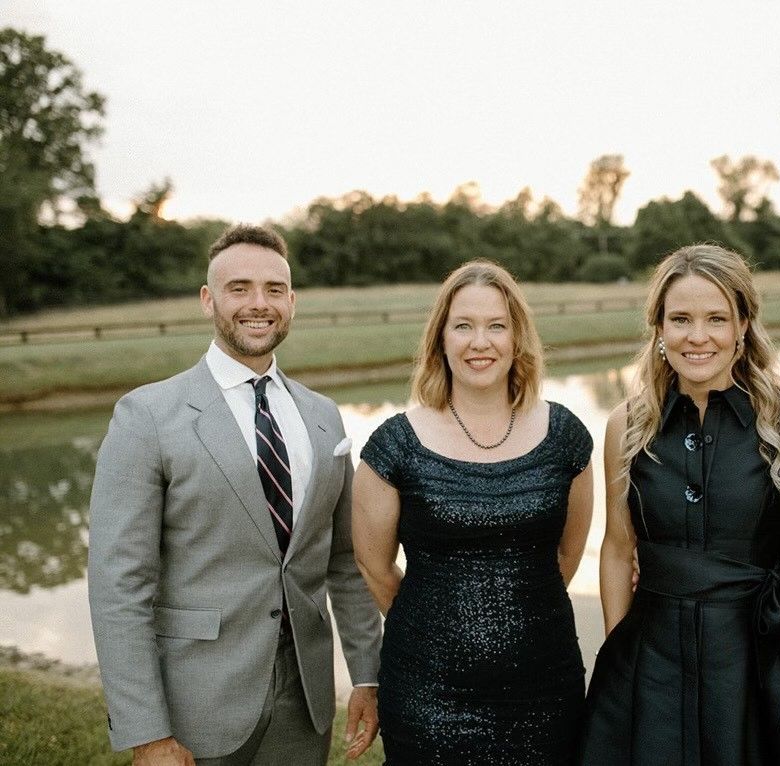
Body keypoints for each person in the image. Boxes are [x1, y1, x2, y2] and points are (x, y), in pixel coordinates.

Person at [87, 224, 382, 764]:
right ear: (208, 300)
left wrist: (367, 676)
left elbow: (346, 562)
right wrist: (145, 731)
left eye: (274, 290)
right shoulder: (147, 416)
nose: (258, 304)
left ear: (291, 302)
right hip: (195, 704)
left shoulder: (322, 416)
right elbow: (118, 585)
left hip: (305, 705)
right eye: (239, 287)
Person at [580, 244, 780, 765]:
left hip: (758, 658)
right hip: (650, 660)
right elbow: (616, 549)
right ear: (658, 327)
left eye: (716, 319)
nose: (697, 337)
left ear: (743, 325)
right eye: (680, 319)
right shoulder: (626, 425)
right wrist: (621, 658)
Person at [352, 261, 594, 765]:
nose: (479, 342)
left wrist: (520, 609)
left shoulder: (565, 437)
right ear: (441, 338)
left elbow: (568, 555)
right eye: (463, 326)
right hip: (426, 693)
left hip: (544, 689)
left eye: (496, 326)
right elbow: (373, 565)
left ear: (516, 338)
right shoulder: (395, 445)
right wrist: (433, 622)